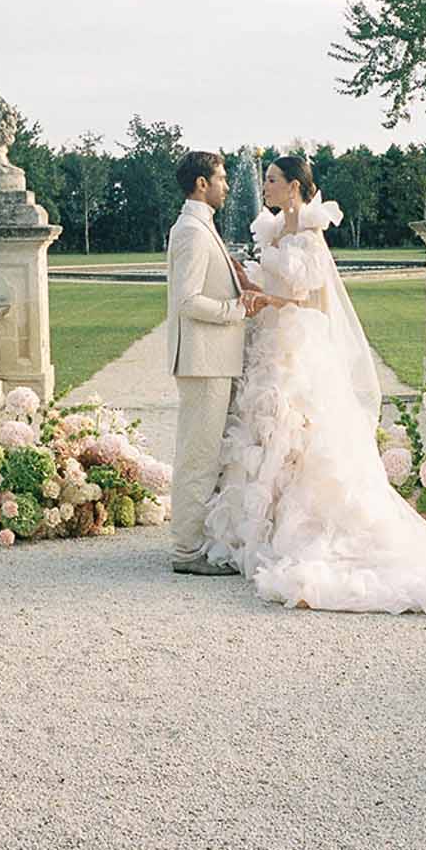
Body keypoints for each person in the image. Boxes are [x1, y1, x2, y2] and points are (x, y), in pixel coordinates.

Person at [201, 155, 426, 615]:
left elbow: (310, 297)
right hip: (270, 342)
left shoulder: (311, 237)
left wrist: (264, 297)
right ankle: (261, 528)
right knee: (266, 436)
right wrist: (246, 279)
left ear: (294, 187)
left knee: (301, 436)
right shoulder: (274, 231)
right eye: (267, 181)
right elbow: (275, 280)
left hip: (297, 343)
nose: (266, 187)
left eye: (273, 180)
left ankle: (304, 531)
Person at [163, 150, 290, 575]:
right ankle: (185, 551)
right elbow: (187, 301)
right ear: (202, 183)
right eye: (220, 178)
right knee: (197, 455)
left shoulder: (200, 226)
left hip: (212, 358)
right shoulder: (192, 232)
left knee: (204, 453)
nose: (227, 186)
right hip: (204, 360)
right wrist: (237, 310)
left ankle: (192, 542)